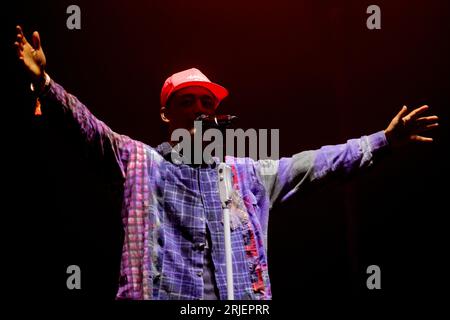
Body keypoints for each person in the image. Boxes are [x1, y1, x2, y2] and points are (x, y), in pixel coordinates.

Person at [14, 25, 439, 300]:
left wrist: (383, 141)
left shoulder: (247, 177)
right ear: (167, 115)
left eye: (207, 102)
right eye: (187, 101)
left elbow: (320, 164)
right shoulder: (139, 161)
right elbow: (89, 130)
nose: (200, 109)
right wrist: (45, 85)